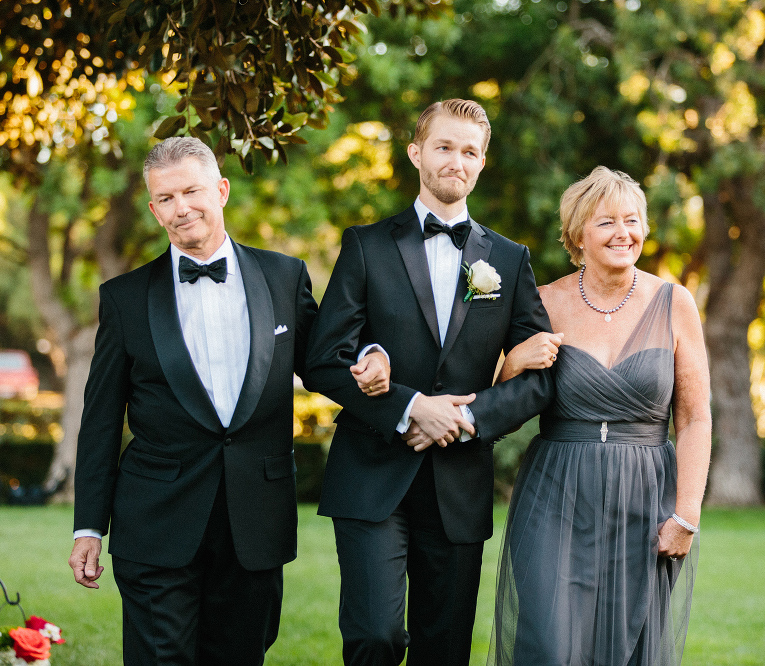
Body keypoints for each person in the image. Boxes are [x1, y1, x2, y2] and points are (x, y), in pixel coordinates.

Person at [67, 136, 388, 665]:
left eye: (191, 191)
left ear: (221, 190)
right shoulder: (123, 299)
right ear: (152, 209)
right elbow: (100, 420)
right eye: (165, 199)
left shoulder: (285, 276)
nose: (181, 208)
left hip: (255, 524)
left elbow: (326, 362)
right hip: (154, 526)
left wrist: (375, 355)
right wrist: (87, 527)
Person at [304, 99, 555, 666]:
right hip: (371, 475)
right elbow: (323, 357)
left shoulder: (509, 261)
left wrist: (466, 418)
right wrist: (411, 406)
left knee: (444, 651)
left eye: (470, 151)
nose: (456, 161)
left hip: (458, 482)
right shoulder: (366, 245)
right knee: (374, 636)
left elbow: (540, 377)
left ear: (482, 163)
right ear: (417, 152)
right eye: (444, 146)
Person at [488, 167, 712, 665]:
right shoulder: (544, 301)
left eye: (632, 221)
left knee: (628, 646)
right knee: (547, 642)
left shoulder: (675, 304)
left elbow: (695, 417)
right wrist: (512, 364)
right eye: (606, 222)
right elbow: (503, 408)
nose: (623, 234)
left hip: (645, 493)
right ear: (577, 234)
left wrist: (687, 513)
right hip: (557, 492)